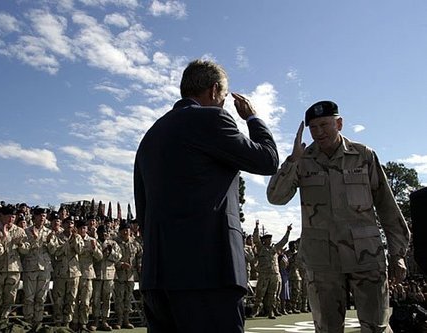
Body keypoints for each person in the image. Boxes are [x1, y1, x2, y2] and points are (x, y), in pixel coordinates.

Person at [134, 59, 279, 333]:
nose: (224, 104)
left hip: (157, 276)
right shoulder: (211, 118)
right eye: (224, 98)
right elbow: (268, 160)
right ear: (214, 91)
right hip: (207, 274)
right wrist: (252, 118)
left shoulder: (151, 135)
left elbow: (143, 209)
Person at [267, 100, 411, 333]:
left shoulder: (363, 156)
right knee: (327, 328)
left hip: (366, 257)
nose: (318, 132)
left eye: (324, 124)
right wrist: (292, 160)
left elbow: (387, 206)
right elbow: (276, 197)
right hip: (322, 262)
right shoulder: (303, 160)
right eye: (313, 127)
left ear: (339, 123)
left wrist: (398, 254)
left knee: (377, 327)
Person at [21, 207, 56, 327]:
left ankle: (38, 322)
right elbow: (23, 250)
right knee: (29, 298)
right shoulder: (26, 231)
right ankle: (27, 322)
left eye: (44, 216)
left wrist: (49, 241)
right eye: (40, 215)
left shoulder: (49, 232)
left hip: (45, 267)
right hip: (30, 267)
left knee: (41, 298)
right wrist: (35, 240)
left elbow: (53, 250)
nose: (42, 218)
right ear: (34, 216)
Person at [252, 221, 291, 319]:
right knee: (259, 293)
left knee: (273, 294)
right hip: (264, 275)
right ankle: (255, 311)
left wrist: (288, 231)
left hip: (274, 274)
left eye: (270, 239)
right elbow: (256, 239)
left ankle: (271, 311)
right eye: (268, 239)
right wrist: (256, 227)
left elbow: (283, 242)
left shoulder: (274, 249)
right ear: (264, 241)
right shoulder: (261, 248)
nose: (269, 240)